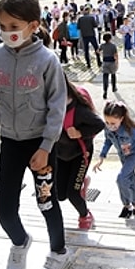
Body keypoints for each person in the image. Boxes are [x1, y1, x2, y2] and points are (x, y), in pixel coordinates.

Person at [0, 0, 72, 269]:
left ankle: (58, 252)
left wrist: (46, 146)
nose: (7, 32)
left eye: (14, 27)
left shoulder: (47, 60)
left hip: (40, 143)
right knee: (3, 209)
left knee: (47, 203)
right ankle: (20, 242)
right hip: (10, 141)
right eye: (2, 27)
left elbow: (57, 106)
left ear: (34, 24)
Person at [55, 79, 105, 231]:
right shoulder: (48, 105)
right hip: (60, 154)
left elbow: (99, 124)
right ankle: (82, 182)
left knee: (73, 193)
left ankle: (85, 215)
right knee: (59, 194)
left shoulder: (79, 109)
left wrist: (80, 133)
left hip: (80, 154)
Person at [96, 101, 135, 218]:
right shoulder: (107, 129)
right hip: (123, 157)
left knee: (121, 178)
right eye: (107, 122)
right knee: (130, 179)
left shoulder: (130, 130)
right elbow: (108, 141)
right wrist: (102, 157)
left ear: (121, 119)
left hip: (133, 156)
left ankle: (127, 205)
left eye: (113, 123)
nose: (110, 126)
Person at [99, 32, 119, 99]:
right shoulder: (113, 46)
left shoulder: (102, 45)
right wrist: (117, 62)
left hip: (105, 61)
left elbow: (98, 51)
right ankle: (114, 87)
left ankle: (105, 91)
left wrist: (101, 54)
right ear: (110, 38)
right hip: (112, 62)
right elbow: (116, 55)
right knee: (113, 75)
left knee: (105, 76)